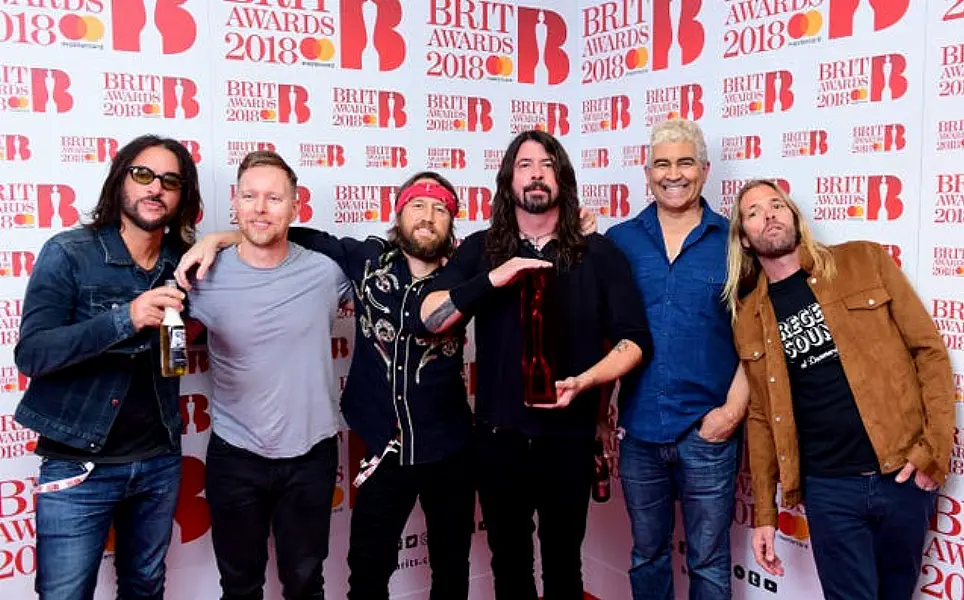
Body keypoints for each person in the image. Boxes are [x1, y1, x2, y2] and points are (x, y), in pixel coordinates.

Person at [177, 171, 476, 600]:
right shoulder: (366, 262)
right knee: (364, 572)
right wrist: (219, 238)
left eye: (440, 209)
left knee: (450, 569)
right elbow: (271, 232)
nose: (428, 216)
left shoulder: (467, 270)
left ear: (452, 222)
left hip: (447, 447)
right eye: (418, 205)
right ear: (399, 212)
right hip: (378, 448)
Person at [419, 129, 653, 600]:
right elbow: (430, 317)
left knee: (565, 567)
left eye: (546, 164)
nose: (536, 174)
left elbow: (635, 341)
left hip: (568, 441)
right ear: (509, 182)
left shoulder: (600, 253)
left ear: (561, 178)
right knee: (510, 568)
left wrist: (586, 381)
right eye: (524, 165)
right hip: (497, 440)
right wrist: (493, 277)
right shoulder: (482, 250)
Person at [724, 179, 954, 600]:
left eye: (777, 205)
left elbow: (929, 352)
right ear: (743, 236)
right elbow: (760, 417)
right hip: (829, 488)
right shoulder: (748, 316)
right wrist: (765, 514)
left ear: (794, 216)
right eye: (753, 212)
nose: (768, 214)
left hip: (901, 475)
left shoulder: (862, 261)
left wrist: (933, 449)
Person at [14, 134, 201, 600]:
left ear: (183, 197)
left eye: (170, 181)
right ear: (120, 180)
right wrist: (126, 317)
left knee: (146, 587)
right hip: (78, 463)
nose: (155, 188)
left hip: (158, 461)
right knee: (64, 593)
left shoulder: (184, 265)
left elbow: (264, 232)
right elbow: (32, 353)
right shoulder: (69, 252)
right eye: (143, 175)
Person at [182, 151, 350, 600]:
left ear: (296, 208)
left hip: (310, 455)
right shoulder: (200, 274)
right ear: (234, 204)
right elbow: (166, 339)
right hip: (235, 456)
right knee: (239, 586)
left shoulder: (329, 270)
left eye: (274, 198)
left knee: (305, 584)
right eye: (250, 196)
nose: (260, 208)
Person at [605, 118, 747, 600]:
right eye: (662, 163)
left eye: (685, 162)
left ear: (705, 171)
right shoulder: (618, 241)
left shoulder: (734, 241)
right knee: (647, 555)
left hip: (707, 432)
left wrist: (730, 414)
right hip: (639, 430)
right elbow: (602, 334)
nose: (674, 173)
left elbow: (757, 338)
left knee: (708, 561)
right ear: (647, 174)